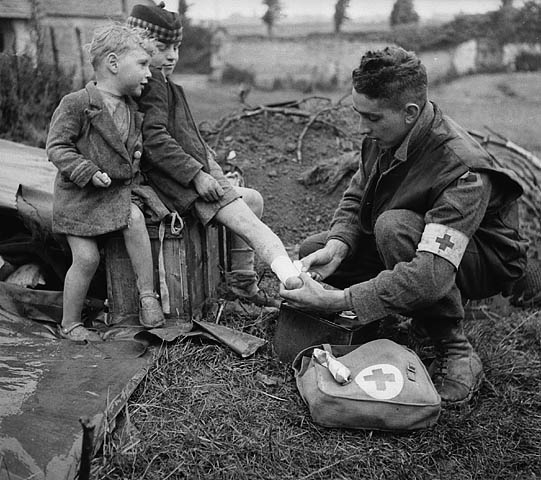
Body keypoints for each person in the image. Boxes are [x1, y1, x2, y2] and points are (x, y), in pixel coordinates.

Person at [281, 46, 528, 405]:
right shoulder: (382, 137)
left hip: (480, 259)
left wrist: (338, 300)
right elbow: (356, 197)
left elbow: (431, 274)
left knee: (393, 228)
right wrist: (339, 244)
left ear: (410, 112)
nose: (363, 128)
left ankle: (455, 350)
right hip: (413, 241)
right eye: (358, 114)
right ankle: (373, 323)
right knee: (313, 250)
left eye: (373, 118)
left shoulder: (463, 169)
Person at [126, 3, 302, 305]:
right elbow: (154, 141)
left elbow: (184, 137)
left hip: (189, 178)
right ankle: (292, 281)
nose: (172, 55)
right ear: (138, 46)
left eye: (177, 47)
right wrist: (197, 175)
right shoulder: (152, 83)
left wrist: (211, 167)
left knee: (254, 201)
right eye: (162, 47)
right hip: (178, 186)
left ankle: (242, 282)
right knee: (254, 228)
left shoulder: (165, 84)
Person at [47, 24, 169, 341]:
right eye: (142, 64)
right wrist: (85, 170)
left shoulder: (133, 111)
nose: (149, 74)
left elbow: (131, 156)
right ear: (114, 64)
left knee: (136, 218)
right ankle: (70, 322)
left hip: (114, 195)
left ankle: (147, 296)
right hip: (80, 200)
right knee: (87, 258)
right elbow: (57, 147)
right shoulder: (77, 103)